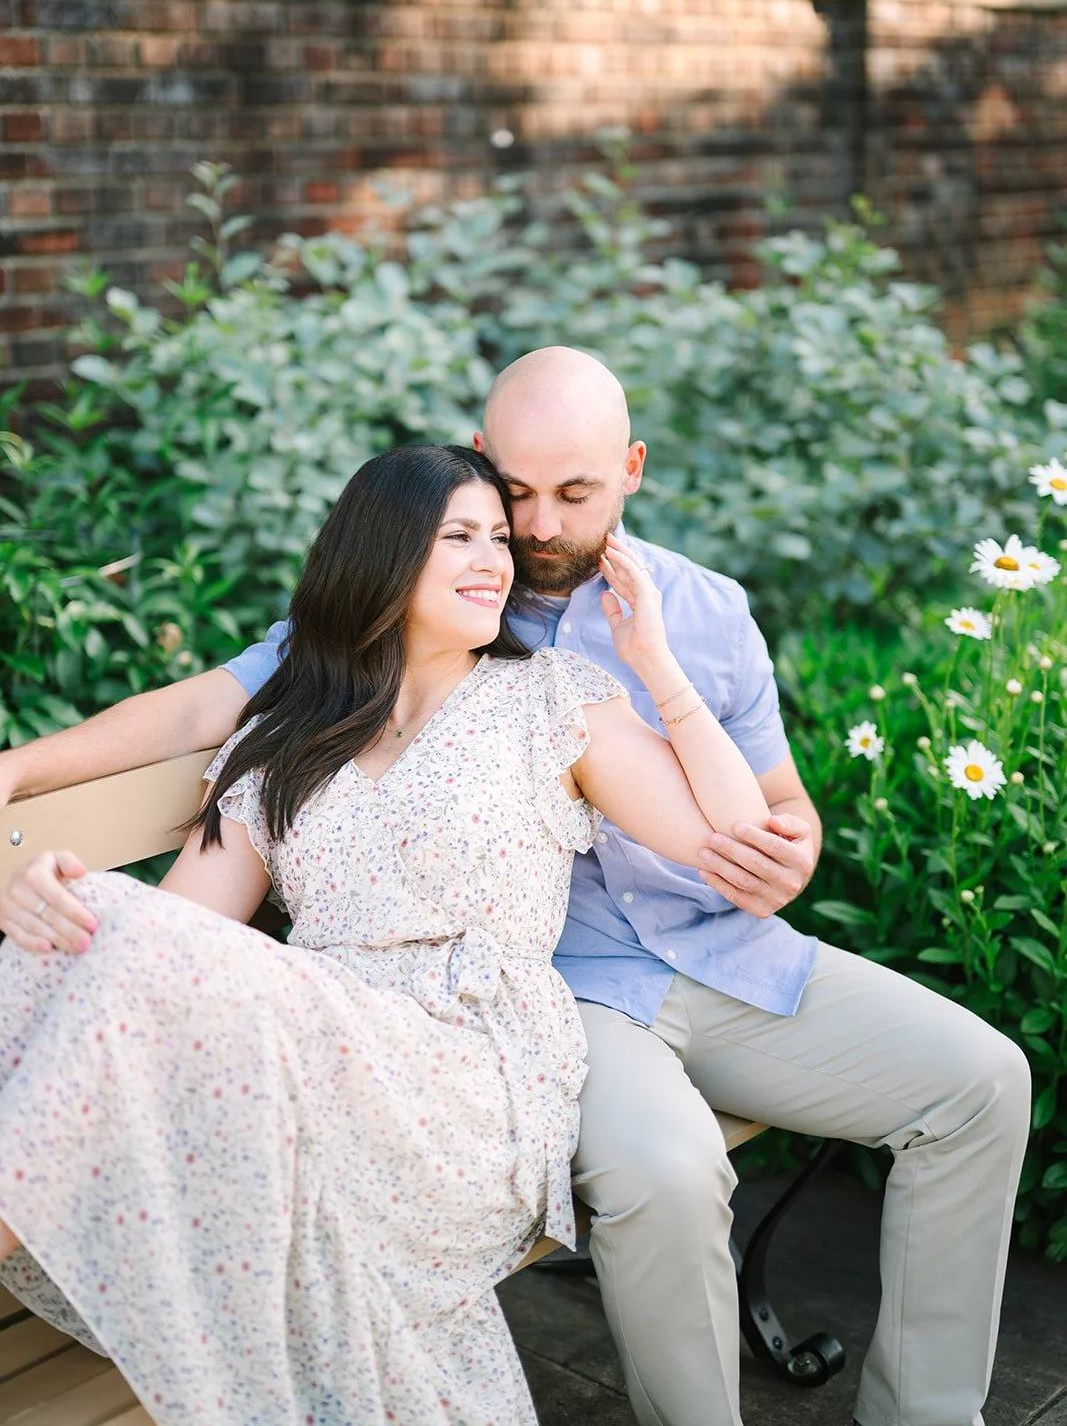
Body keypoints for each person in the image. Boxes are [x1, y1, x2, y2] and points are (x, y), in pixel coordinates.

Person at [1, 352, 1031, 1426]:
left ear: (628, 471)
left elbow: (768, 812)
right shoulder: (321, 685)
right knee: (665, 1174)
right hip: (552, 996)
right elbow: (191, 735)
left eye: (564, 499)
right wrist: (24, 789)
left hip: (697, 962)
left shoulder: (680, 622)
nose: (525, 534)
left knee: (984, 1083)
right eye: (499, 508)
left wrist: (791, 842)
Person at [0, 441, 770, 1426]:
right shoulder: (284, 739)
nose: (496, 557)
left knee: (114, 918)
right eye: (461, 536)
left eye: (499, 537)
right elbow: (175, 939)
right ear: (382, 554)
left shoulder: (550, 700)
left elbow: (732, 837)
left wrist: (657, 664)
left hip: (467, 1080)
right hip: (314, 1066)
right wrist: (53, 908)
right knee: (95, 920)